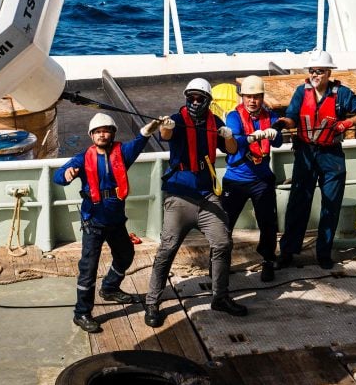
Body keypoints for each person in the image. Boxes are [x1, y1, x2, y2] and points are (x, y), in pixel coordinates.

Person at [144, 78, 244, 328]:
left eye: (200, 98)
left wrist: (229, 136)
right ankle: (152, 303)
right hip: (179, 196)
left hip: (207, 196)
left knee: (223, 242)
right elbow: (166, 134)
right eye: (191, 98)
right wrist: (164, 125)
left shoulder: (215, 122)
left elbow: (231, 150)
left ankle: (220, 297)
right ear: (186, 99)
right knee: (167, 250)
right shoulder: (177, 120)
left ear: (208, 101)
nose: (195, 102)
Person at [54, 112, 156, 333]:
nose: (102, 134)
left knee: (126, 255)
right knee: (88, 269)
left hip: (116, 220)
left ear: (112, 134)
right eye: (98, 131)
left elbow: (138, 142)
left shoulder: (123, 154)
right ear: (92, 136)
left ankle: (109, 288)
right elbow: (58, 176)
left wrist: (147, 131)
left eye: (106, 130)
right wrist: (67, 175)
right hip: (94, 222)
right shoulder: (82, 158)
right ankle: (81, 313)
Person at [273, 50, 356, 270]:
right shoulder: (301, 92)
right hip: (305, 153)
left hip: (331, 155)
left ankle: (324, 253)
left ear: (329, 72)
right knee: (298, 203)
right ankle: (288, 251)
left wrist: (347, 123)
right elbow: (292, 118)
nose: (315, 75)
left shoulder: (342, 94)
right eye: (312, 71)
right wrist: (281, 124)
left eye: (320, 71)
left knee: (331, 205)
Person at [222, 75, 283, 282]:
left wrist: (276, 133)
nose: (252, 101)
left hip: (262, 180)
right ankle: (221, 263)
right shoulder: (233, 117)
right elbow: (236, 140)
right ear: (242, 97)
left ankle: (267, 260)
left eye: (256, 97)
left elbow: (278, 143)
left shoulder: (271, 117)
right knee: (225, 224)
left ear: (262, 97)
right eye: (248, 97)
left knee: (268, 223)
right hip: (236, 180)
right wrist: (253, 136)